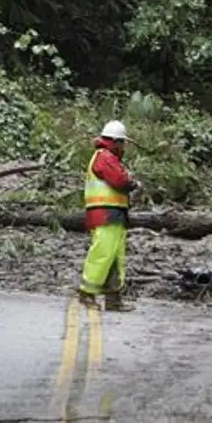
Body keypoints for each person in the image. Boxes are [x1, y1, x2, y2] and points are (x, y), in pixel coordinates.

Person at [78, 120, 139, 312]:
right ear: (115, 141)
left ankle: (113, 298)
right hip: (105, 213)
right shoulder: (105, 157)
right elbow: (119, 180)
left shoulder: (106, 157)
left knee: (114, 257)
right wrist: (133, 184)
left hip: (112, 213)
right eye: (122, 143)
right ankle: (87, 292)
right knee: (103, 253)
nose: (124, 147)